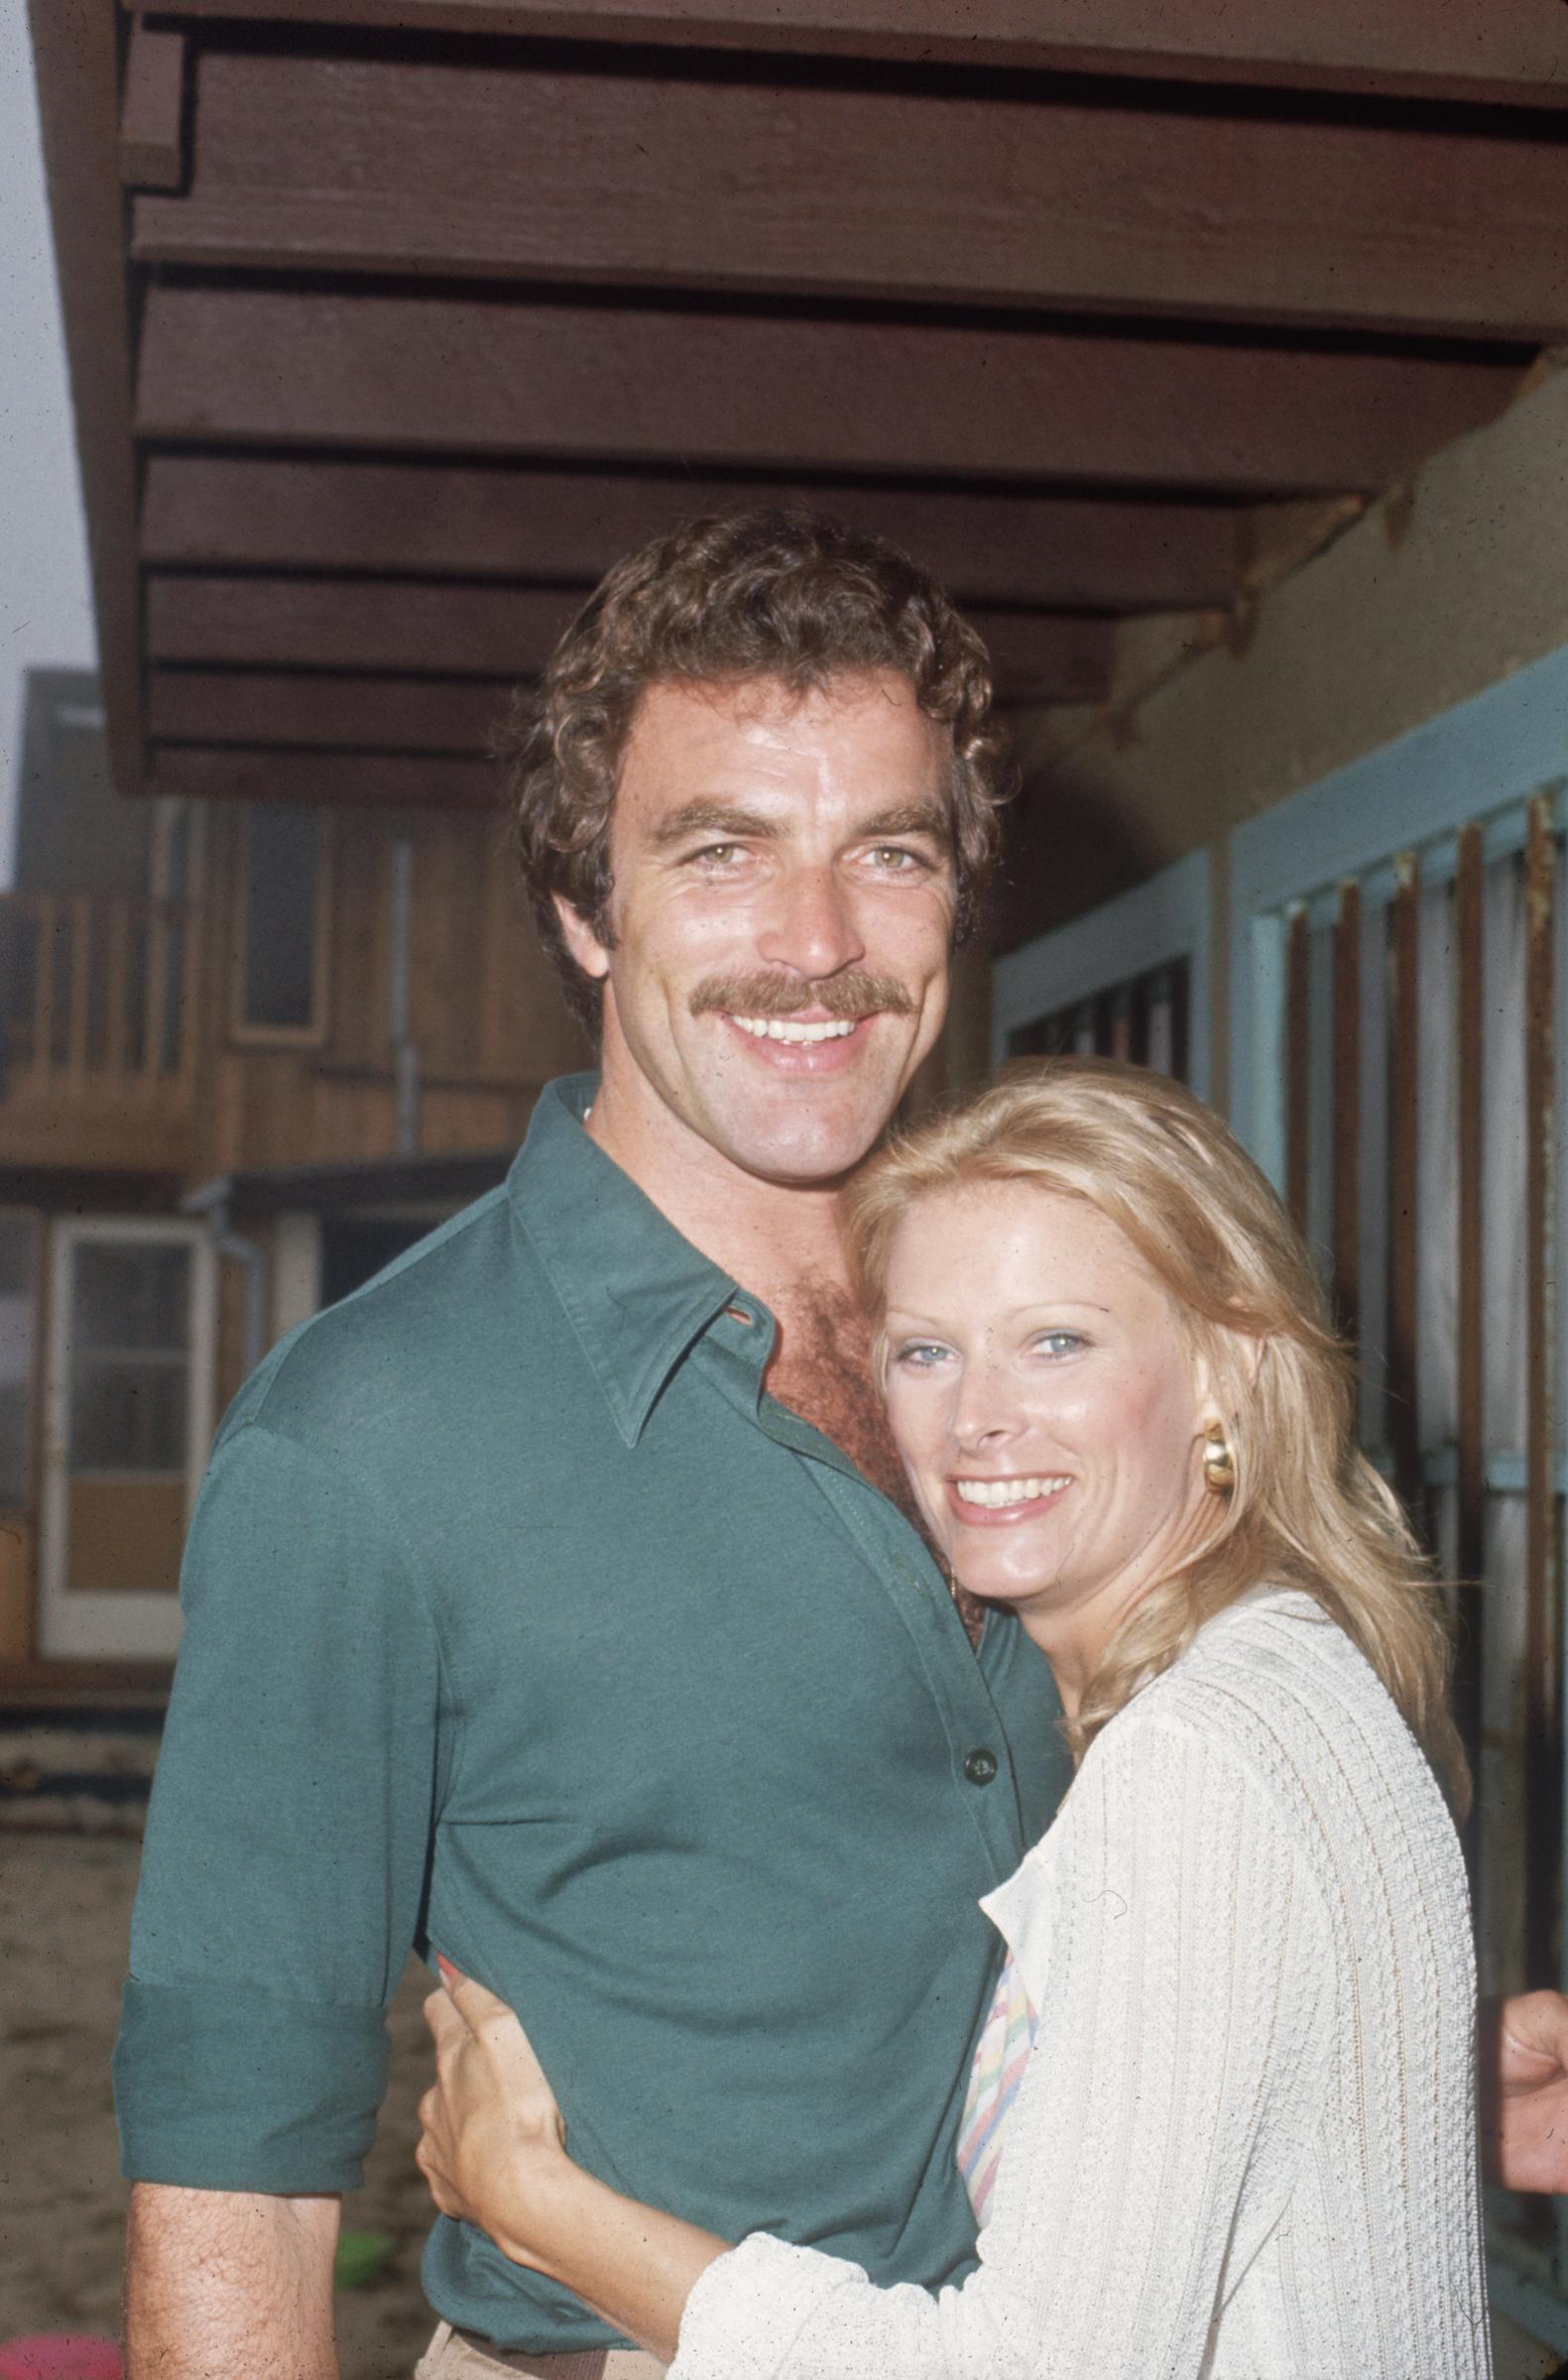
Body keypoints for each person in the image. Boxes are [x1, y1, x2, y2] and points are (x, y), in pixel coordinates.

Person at [116, 507, 1568, 2380]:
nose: (816, 947)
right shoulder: (365, 1441)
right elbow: (234, 2172)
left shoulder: (1062, 1344)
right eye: (719, 853)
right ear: (584, 905)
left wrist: (1377, 2071)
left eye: (884, 853)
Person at [413, 1060, 1490, 2375]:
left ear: (1229, 1365)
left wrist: (541, 2208)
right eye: (925, 1350)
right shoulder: (1292, 1665)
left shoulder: (1193, 1761)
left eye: (1056, 1341)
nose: (977, 1417)